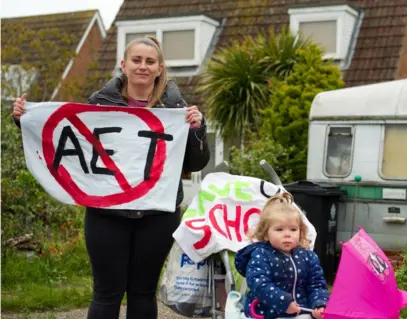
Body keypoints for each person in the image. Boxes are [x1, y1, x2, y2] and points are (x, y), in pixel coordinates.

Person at [12, 35, 210, 319]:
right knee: (107, 293)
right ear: (124, 65)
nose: (143, 66)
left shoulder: (178, 110)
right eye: (137, 60)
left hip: (158, 215)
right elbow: (66, 145)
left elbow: (196, 161)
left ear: (159, 68)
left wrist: (197, 130)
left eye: (150, 61)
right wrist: (25, 119)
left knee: (143, 292)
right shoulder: (99, 104)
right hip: (105, 214)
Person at [235, 192, 329, 319]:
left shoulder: (308, 257)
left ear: (301, 232)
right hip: (267, 314)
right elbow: (259, 284)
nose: (287, 234)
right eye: (279, 229)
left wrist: (319, 305)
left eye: (293, 229)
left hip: (301, 313)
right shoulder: (261, 255)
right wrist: (283, 302)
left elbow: (316, 284)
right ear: (266, 233)